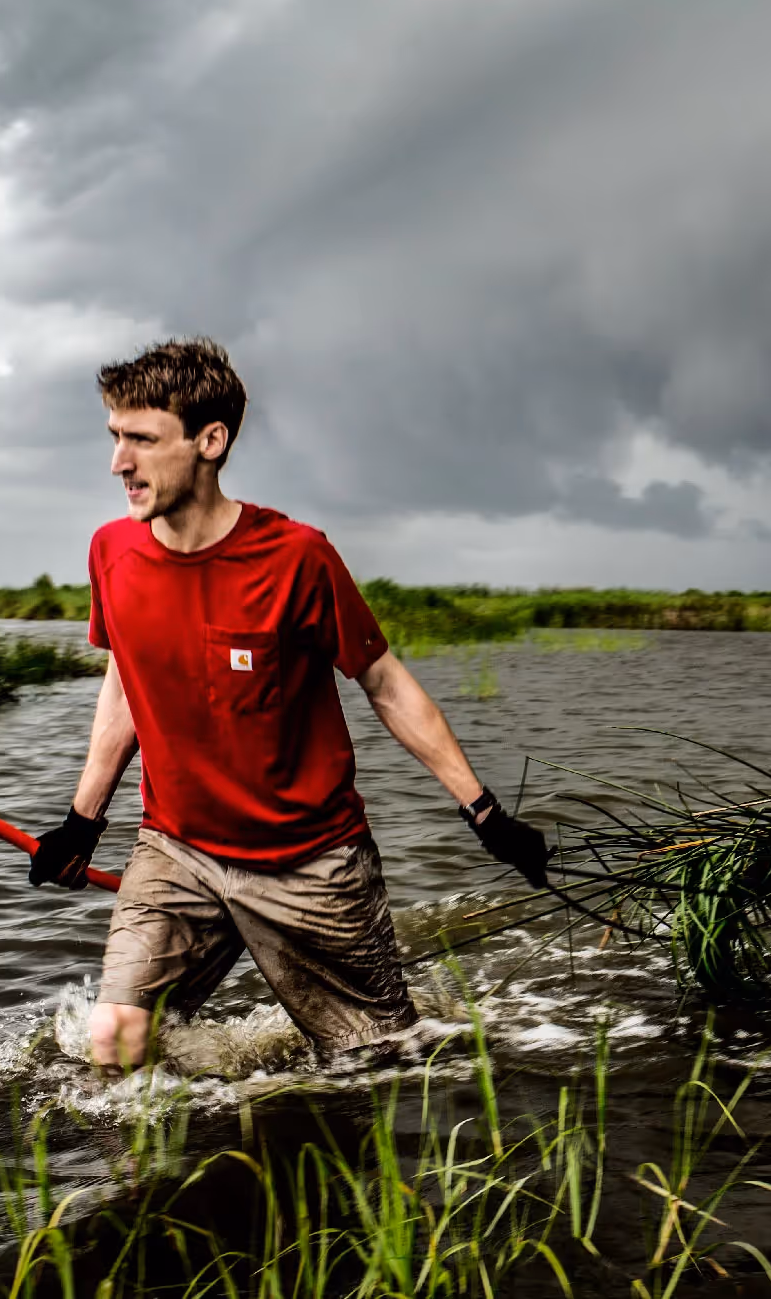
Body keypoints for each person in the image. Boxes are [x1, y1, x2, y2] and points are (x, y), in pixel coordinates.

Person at [29, 336, 549, 1068]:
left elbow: (384, 682)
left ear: (211, 440)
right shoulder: (111, 552)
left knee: (380, 1067)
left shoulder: (297, 556)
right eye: (115, 437)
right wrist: (83, 820)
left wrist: (485, 812)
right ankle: (149, 1183)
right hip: (178, 849)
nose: (119, 461)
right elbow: (125, 681)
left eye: (142, 439)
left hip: (312, 863)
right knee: (115, 1039)